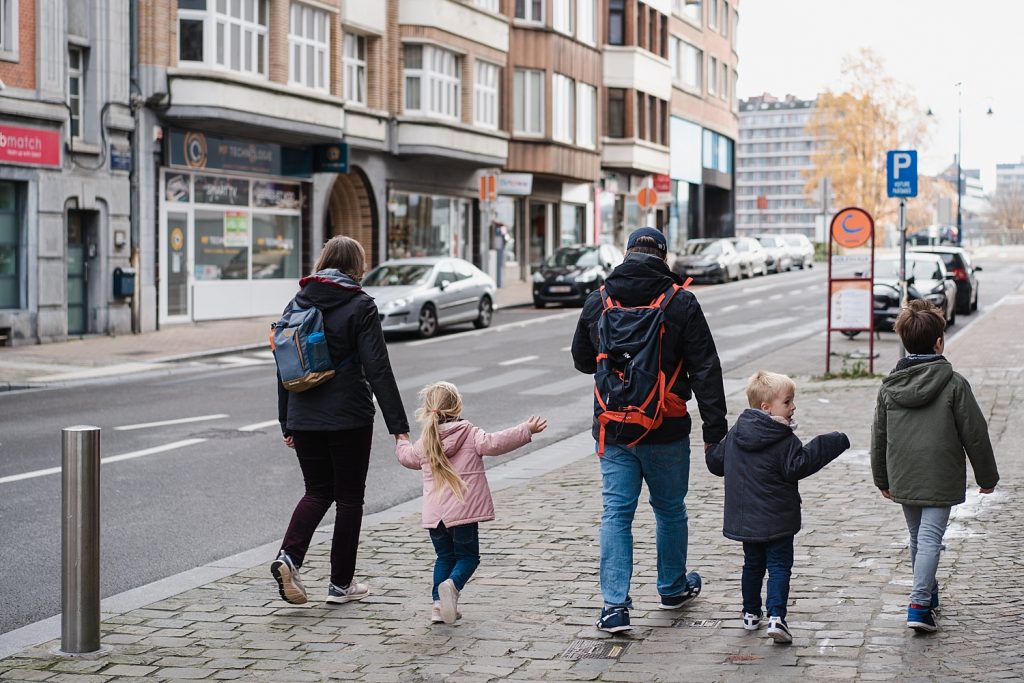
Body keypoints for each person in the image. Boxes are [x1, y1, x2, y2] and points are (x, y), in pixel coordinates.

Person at [571, 227, 728, 633]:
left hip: (613, 428)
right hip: (667, 427)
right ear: (663, 258)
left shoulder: (598, 300)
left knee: (616, 513)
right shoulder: (681, 302)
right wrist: (716, 433)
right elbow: (706, 370)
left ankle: (614, 606)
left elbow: (582, 360)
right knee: (670, 509)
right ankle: (672, 587)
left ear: (626, 254)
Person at [272, 235, 410, 606]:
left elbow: (284, 363)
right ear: (357, 267)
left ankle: (289, 557)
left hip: (303, 414)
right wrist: (399, 427)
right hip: (348, 415)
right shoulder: (359, 304)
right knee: (349, 499)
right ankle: (340, 584)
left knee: (317, 491)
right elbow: (377, 367)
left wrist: (287, 419)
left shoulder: (297, 301)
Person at [871, 299, 998, 633]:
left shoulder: (889, 387)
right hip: (940, 476)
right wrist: (987, 476)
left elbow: (879, 436)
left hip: (904, 473)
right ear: (939, 342)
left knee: (919, 539)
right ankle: (918, 605)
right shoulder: (954, 384)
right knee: (928, 540)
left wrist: (881, 477)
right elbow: (975, 432)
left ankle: (928, 593)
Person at [706, 371, 849, 644]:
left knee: (752, 565)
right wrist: (831, 442)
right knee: (780, 566)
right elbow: (799, 466)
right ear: (767, 408)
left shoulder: (736, 433)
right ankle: (776, 618)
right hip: (779, 520)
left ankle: (750, 614)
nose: (793, 407)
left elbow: (716, 463)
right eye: (788, 402)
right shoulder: (784, 439)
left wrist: (710, 446)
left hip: (747, 520)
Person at [396, 381, 547, 624]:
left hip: (436, 517)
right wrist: (526, 429)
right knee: (468, 557)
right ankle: (452, 587)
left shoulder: (425, 441)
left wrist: (401, 439)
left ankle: (438, 606)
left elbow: (407, 457)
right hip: (463, 512)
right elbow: (496, 443)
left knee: (444, 557)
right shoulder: (469, 433)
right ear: (457, 407)